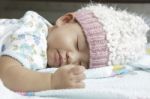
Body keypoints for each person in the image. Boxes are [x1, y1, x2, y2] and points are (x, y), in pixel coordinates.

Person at [0, 3, 149, 92]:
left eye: (81, 64)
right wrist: (51, 81)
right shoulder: (33, 39)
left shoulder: (40, 28)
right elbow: (7, 73)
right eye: (77, 44)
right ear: (65, 20)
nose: (72, 58)